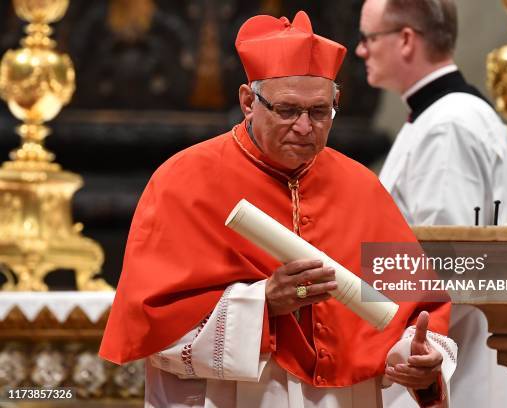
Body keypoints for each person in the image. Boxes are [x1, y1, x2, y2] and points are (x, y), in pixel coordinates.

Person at [99, 11, 457, 408]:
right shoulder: (183, 181)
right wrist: (264, 302)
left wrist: (417, 358)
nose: (305, 127)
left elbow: (411, 311)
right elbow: (152, 330)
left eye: (320, 112)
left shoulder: (361, 187)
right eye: (287, 110)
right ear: (248, 102)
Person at [355, 0, 507, 407]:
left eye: (368, 37)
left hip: (440, 360)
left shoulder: (448, 126)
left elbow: (446, 264)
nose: (361, 50)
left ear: (406, 40)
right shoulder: (442, 116)